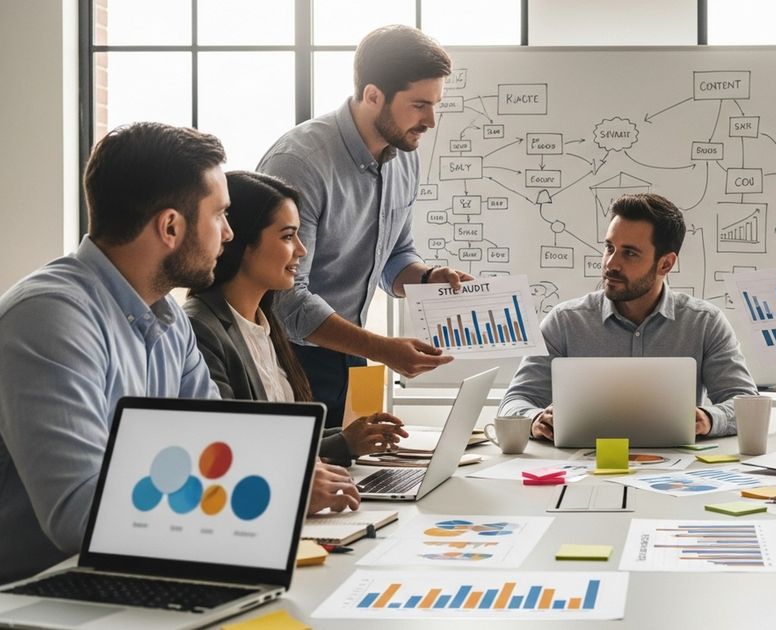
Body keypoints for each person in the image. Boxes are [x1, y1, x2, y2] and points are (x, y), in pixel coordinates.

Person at [0, 122, 230, 583]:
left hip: (142, 567)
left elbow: (220, 448)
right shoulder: (50, 316)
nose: (227, 233)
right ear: (170, 226)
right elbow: (81, 516)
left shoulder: (168, 316)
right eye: (220, 214)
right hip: (40, 594)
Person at [258, 25, 472, 427]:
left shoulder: (404, 154)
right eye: (419, 105)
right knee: (306, 478)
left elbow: (394, 253)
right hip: (292, 354)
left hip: (352, 349)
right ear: (373, 95)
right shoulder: (299, 164)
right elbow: (285, 300)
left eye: (435, 104)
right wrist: (383, 348)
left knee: (357, 472)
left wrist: (426, 278)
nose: (430, 120)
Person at [185, 170, 409, 475]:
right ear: (242, 243)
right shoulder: (200, 329)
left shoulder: (267, 325)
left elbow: (281, 436)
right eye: (288, 236)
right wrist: (342, 444)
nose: (301, 250)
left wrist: (353, 437)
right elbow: (234, 449)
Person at [499, 193, 757, 439]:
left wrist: (708, 419)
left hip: (676, 474)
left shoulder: (704, 323)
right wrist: (535, 420)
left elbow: (746, 404)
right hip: (581, 468)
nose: (611, 264)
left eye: (630, 253)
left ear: (665, 264)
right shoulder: (565, 321)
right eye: (609, 247)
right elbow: (514, 402)